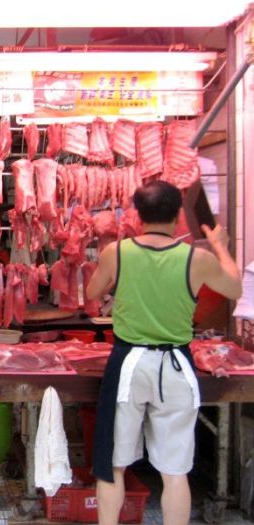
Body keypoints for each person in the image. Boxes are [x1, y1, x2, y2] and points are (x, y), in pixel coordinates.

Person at [86, 180, 242, 525]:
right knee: (175, 471)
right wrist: (219, 247)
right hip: (176, 367)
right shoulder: (197, 258)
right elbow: (234, 288)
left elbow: (93, 292)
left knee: (113, 465)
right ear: (177, 215)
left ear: (138, 214)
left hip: (129, 364)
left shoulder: (117, 253)